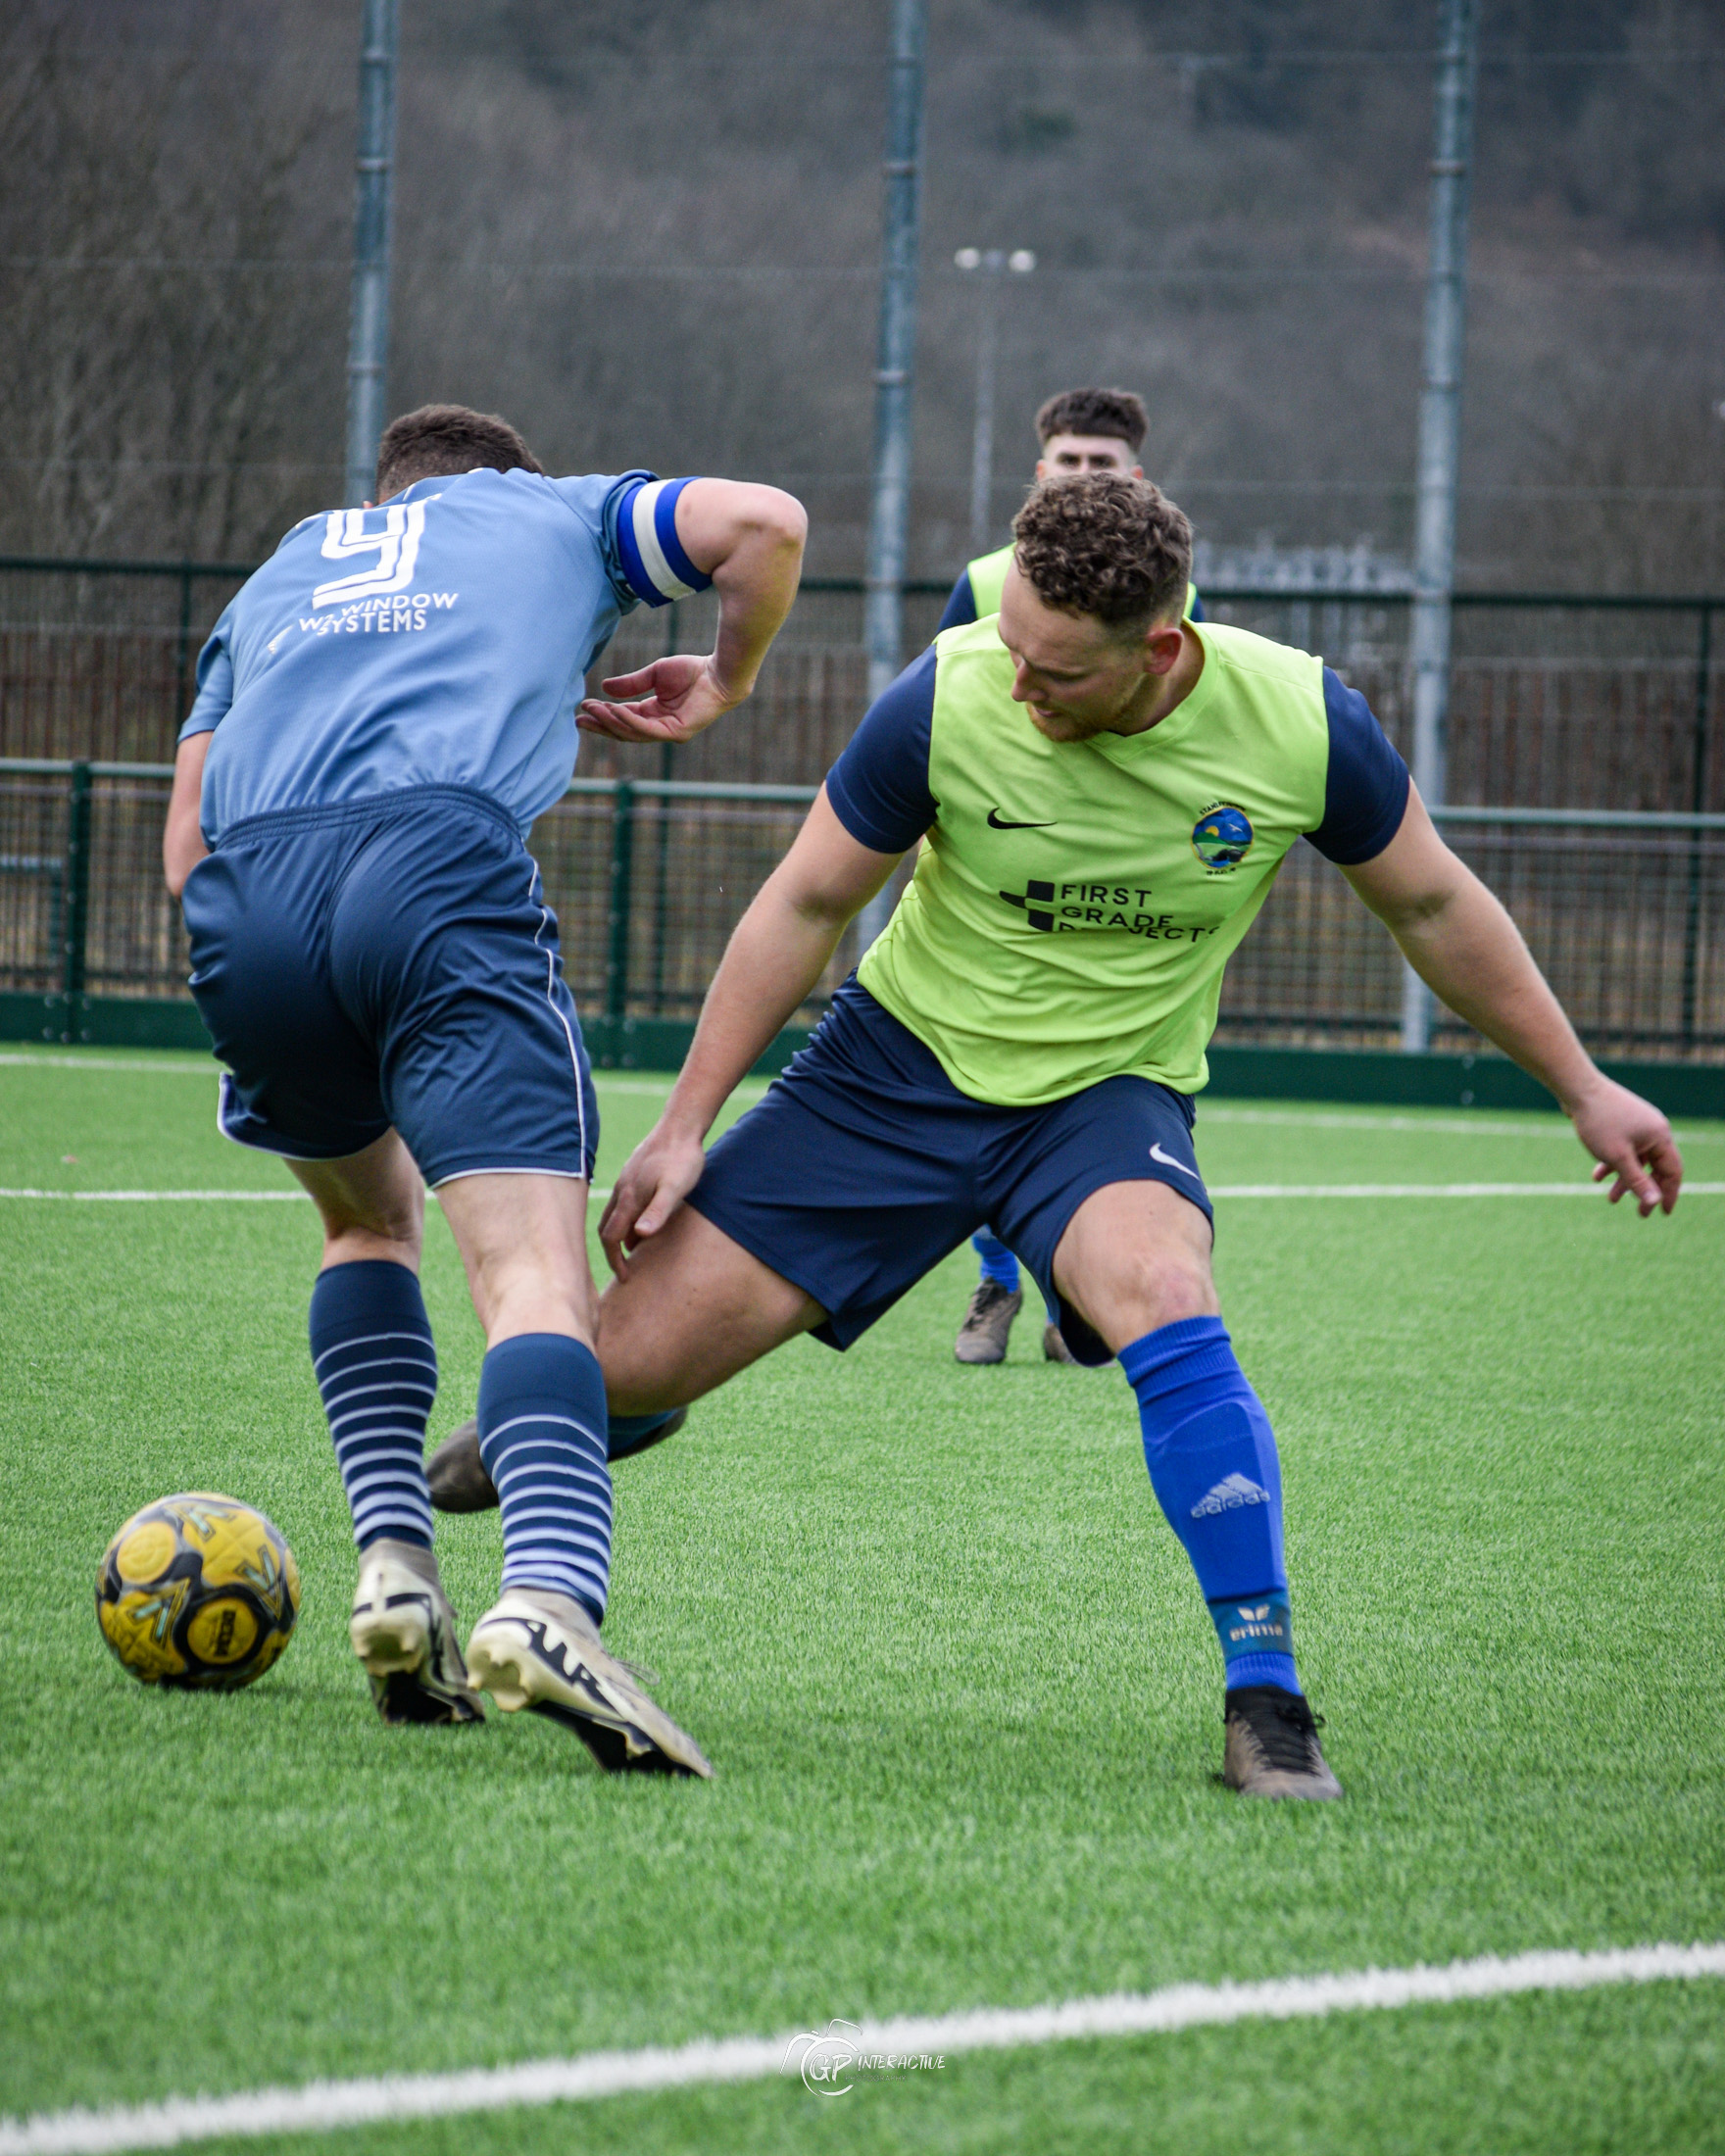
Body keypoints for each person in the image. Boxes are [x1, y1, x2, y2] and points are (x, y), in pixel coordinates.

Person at [558, 471, 1681, 1798]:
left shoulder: (1302, 723)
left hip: (1104, 1098)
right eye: (1012, 651)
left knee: (1164, 1289)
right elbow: (805, 904)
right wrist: (684, 1125)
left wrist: (1582, 1086)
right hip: (890, 1074)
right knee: (603, 1372)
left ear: (1158, 648)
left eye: (1057, 674)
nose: (1020, 688)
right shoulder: (947, 693)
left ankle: (1266, 1697)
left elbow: (1432, 907)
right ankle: (614, 1412)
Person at [162, 402, 806, 1775]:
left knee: (362, 1223)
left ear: (382, 492)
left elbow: (183, 839)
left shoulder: (285, 566)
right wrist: (722, 677)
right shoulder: (553, 510)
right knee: (529, 1278)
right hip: (437, 866)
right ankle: (550, 1599)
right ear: (503, 477)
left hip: (247, 902)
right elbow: (766, 525)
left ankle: (396, 1568)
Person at [940, 387, 1205, 1369]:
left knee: (1097, 1099)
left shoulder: (1169, 596)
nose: (1083, 474)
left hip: (1117, 889)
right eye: (1068, 460)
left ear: (1135, 475)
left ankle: (1069, 1287)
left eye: (1102, 463)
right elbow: (936, 710)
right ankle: (996, 1280)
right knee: (984, 1086)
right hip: (1001, 877)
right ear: (1037, 469)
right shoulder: (981, 583)